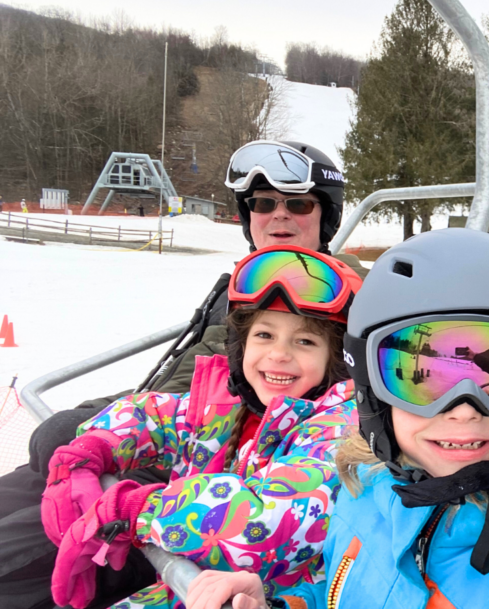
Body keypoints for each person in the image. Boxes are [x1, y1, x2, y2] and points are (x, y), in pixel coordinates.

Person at [184, 228, 489, 609]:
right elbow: (342, 593)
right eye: (423, 377)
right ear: (371, 393)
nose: (463, 409)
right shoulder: (368, 490)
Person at [0, 140, 367, 609]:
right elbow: (176, 406)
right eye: (263, 203)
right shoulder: (241, 305)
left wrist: (138, 506)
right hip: (188, 480)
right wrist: (95, 437)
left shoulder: (343, 308)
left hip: (211, 532)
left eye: (297, 204)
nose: (278, 216)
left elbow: (278, 515)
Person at [44, 245, 362, 609]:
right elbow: (154, 415)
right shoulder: (226, 405)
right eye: (264, 335)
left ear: (336, 359)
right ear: (240, 346)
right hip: (188, 587)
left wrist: (136, 510)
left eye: (305, 341)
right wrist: (88, 452)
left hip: (262, 598)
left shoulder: (340, 429)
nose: (279, 354)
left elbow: (268, 519)